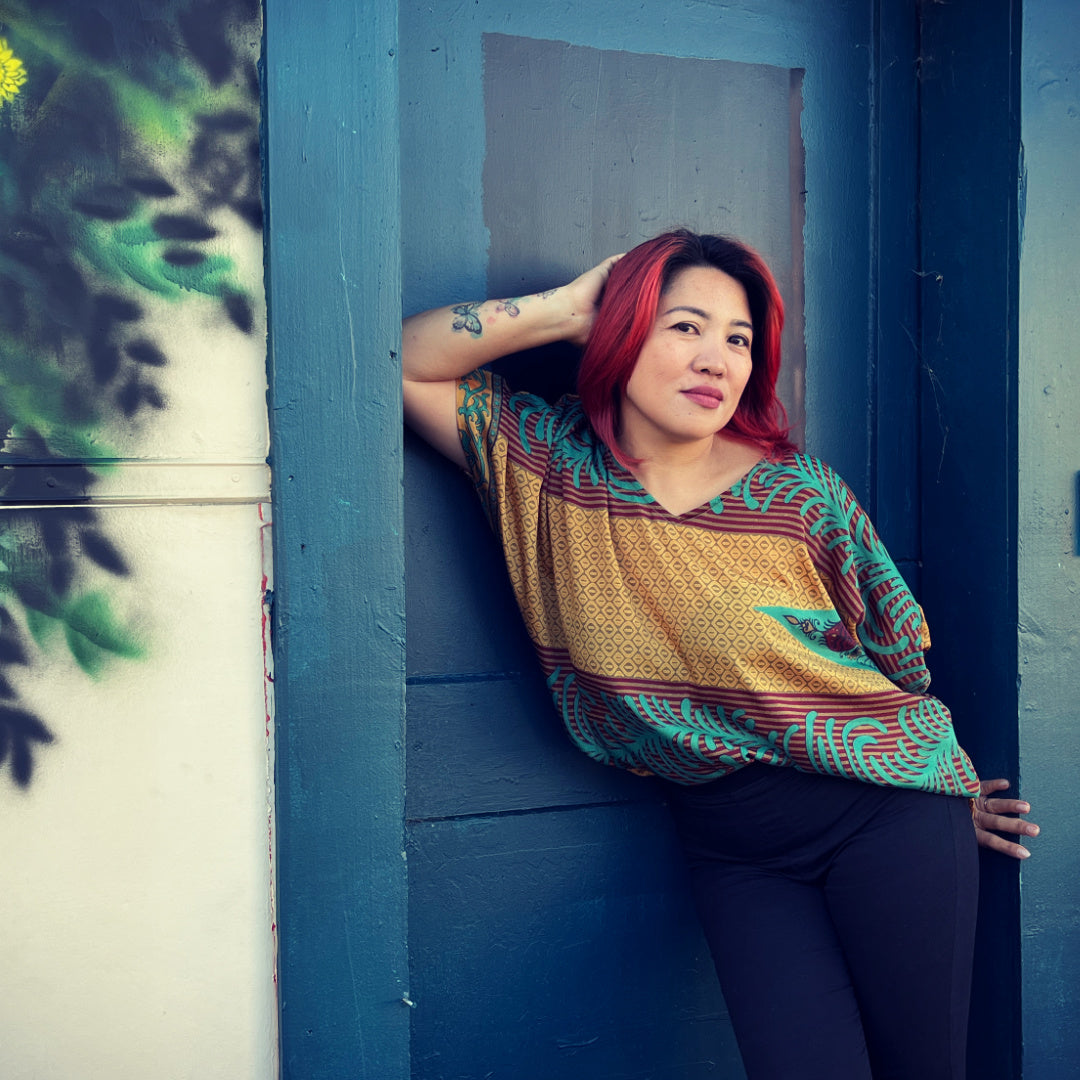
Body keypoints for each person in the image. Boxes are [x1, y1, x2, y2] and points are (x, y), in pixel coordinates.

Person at [401, 230, 1038, 1079]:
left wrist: (937, 783)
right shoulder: (546, 467)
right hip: (734, 846)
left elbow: (899, 654)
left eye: (739, 340)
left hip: (885, 817)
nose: (717, 359)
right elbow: (405, 365)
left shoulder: (800, 493)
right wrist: (564, 310)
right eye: (685, 327)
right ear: (620, 334)